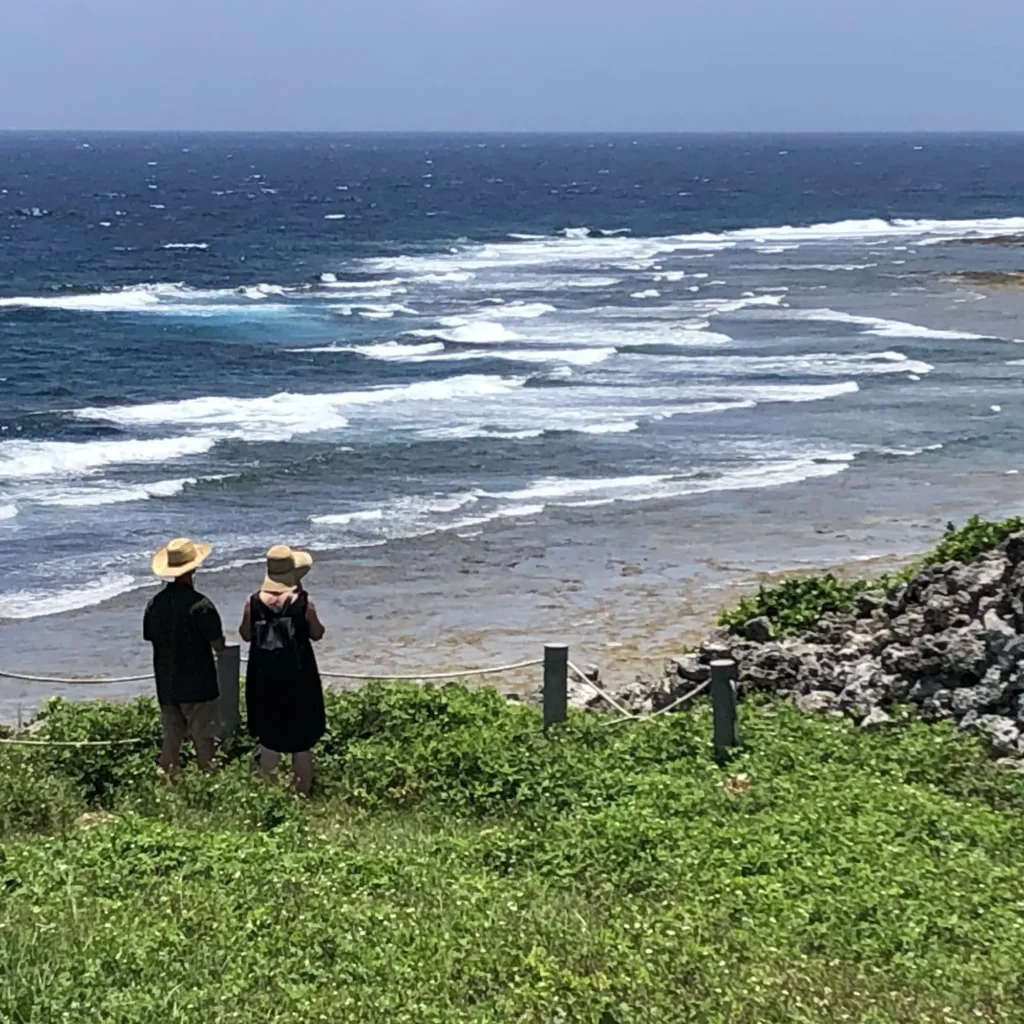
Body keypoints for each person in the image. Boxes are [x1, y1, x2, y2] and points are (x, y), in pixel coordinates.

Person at [239, 544, 326, 796]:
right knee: (302, 743)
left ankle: (271, 796)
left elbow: (245, 635)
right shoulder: (304, 601)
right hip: (299, 678)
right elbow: (317, 633)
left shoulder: (252, 601)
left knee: (269, 740)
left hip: (263, 679)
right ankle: (301, 795)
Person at [143, 537, 225, 776]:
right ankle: (208, 787)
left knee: (171, 741)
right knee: (204, 740)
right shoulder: (201, 605)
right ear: (194, 567)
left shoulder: (154, 604)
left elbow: (150, 638)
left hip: (167, 684)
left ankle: (167, 788)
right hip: (199, 685)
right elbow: (218, 644)